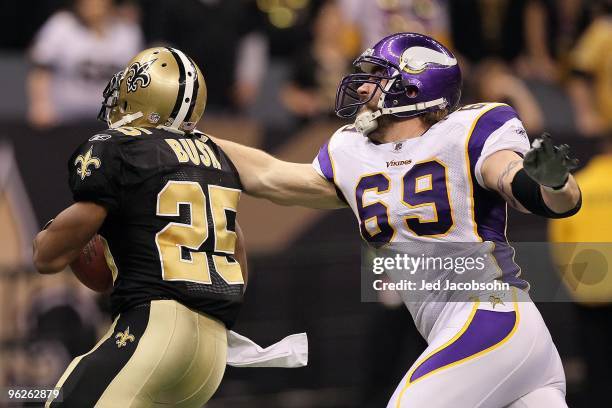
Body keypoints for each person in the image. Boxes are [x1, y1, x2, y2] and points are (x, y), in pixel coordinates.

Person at [214, 33, 582, 407]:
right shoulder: (352, 152)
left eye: (376, 76)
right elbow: (270, 176)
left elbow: (522, 186)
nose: (361, 89)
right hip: (480, 336)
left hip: (492, 317)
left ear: (412, 88)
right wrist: (192, 141)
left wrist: (554, 182)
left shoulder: (468, 130)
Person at [32, 47, 247, 407]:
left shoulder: (119, 148)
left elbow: (47, 258)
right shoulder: (215, 156)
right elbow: (236, 249)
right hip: (212, 352)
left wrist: (54, 234)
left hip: (154, 330)